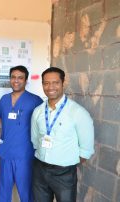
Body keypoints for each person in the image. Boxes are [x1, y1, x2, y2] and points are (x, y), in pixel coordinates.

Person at [31, 67, 94, 201]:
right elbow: (35, 139)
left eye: (55, 82)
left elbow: (85, 151)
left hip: (64, 173)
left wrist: (65, 161)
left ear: (63, 83)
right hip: (40, 169)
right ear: (42, 84)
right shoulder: (38, 112)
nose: (50, 87)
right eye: (46, 83)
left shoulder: (78, 113)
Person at [0, 65, 43, 202]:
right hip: (6, 153)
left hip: (25, 154)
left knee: (26, 192)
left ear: (26, 80)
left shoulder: (35, 101)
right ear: (10, 79)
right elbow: (0, 124)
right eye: (13, 77)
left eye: (20, 78)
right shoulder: (4, 100)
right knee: (3, 192)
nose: (16, 80)